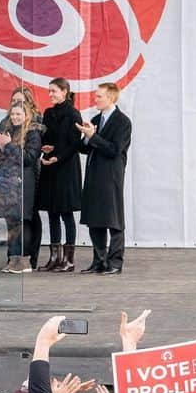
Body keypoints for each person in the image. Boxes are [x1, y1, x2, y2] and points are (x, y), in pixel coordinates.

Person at [77, 83, 132, 275]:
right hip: (94, 175)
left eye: (99, 96)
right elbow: (85, 148)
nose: (96, 99)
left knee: (113, 219)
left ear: (111, 98)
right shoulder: (95, 119)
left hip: (111, 176)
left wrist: (93, 136)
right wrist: (86, 136)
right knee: (95, 218)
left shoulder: (122, 122)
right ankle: (99, 260)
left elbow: (114, 150)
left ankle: (115, 262)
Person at [35, 78, 82, 273]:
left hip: (66, 168)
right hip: (50, 165)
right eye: (50, 91)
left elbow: (74, 144)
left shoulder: (73, 114)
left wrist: (57, 156)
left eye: (54, 91)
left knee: (66, 212)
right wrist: (45, 149)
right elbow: (46, 139)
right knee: (52, 212)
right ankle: (55, 257)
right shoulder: (48, 113)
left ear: (65, 91)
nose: (51, 94)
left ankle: (69, 260)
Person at [0, 103, 42, 274]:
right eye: (12, 114)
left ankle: (24, 260)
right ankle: (12, 259)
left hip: (23, 183)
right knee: (10, 222)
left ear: (26, 115)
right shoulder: (8, 131)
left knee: (23, 222)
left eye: (18, 114)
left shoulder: (33, 133)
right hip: (7, 183)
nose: (15, 117)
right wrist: (3, 154)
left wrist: (9, 146)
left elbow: (28, 158)